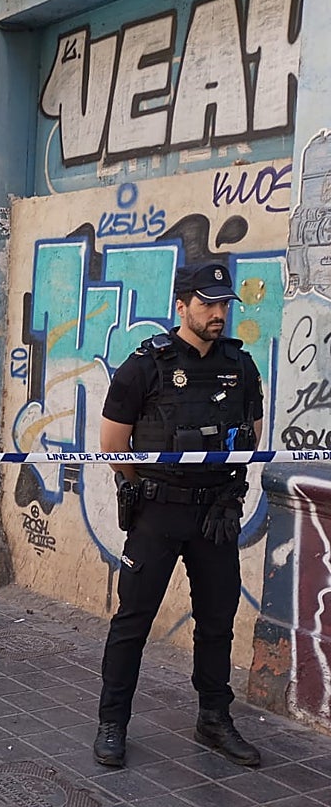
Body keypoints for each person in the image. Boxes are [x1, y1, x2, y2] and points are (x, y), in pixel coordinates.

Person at [93, 262, 264, 769]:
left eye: (223, 304)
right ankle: (112, 722)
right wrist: (143, 495)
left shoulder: (241, 366)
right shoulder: (145, 366)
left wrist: (230, 498)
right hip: (158, 517)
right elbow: (112, 447)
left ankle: (214, 719)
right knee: (133, 621)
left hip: (216, 518)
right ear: (181, 305)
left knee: (217, 623)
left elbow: (250, 437)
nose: (217, 313)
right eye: (207, 303)